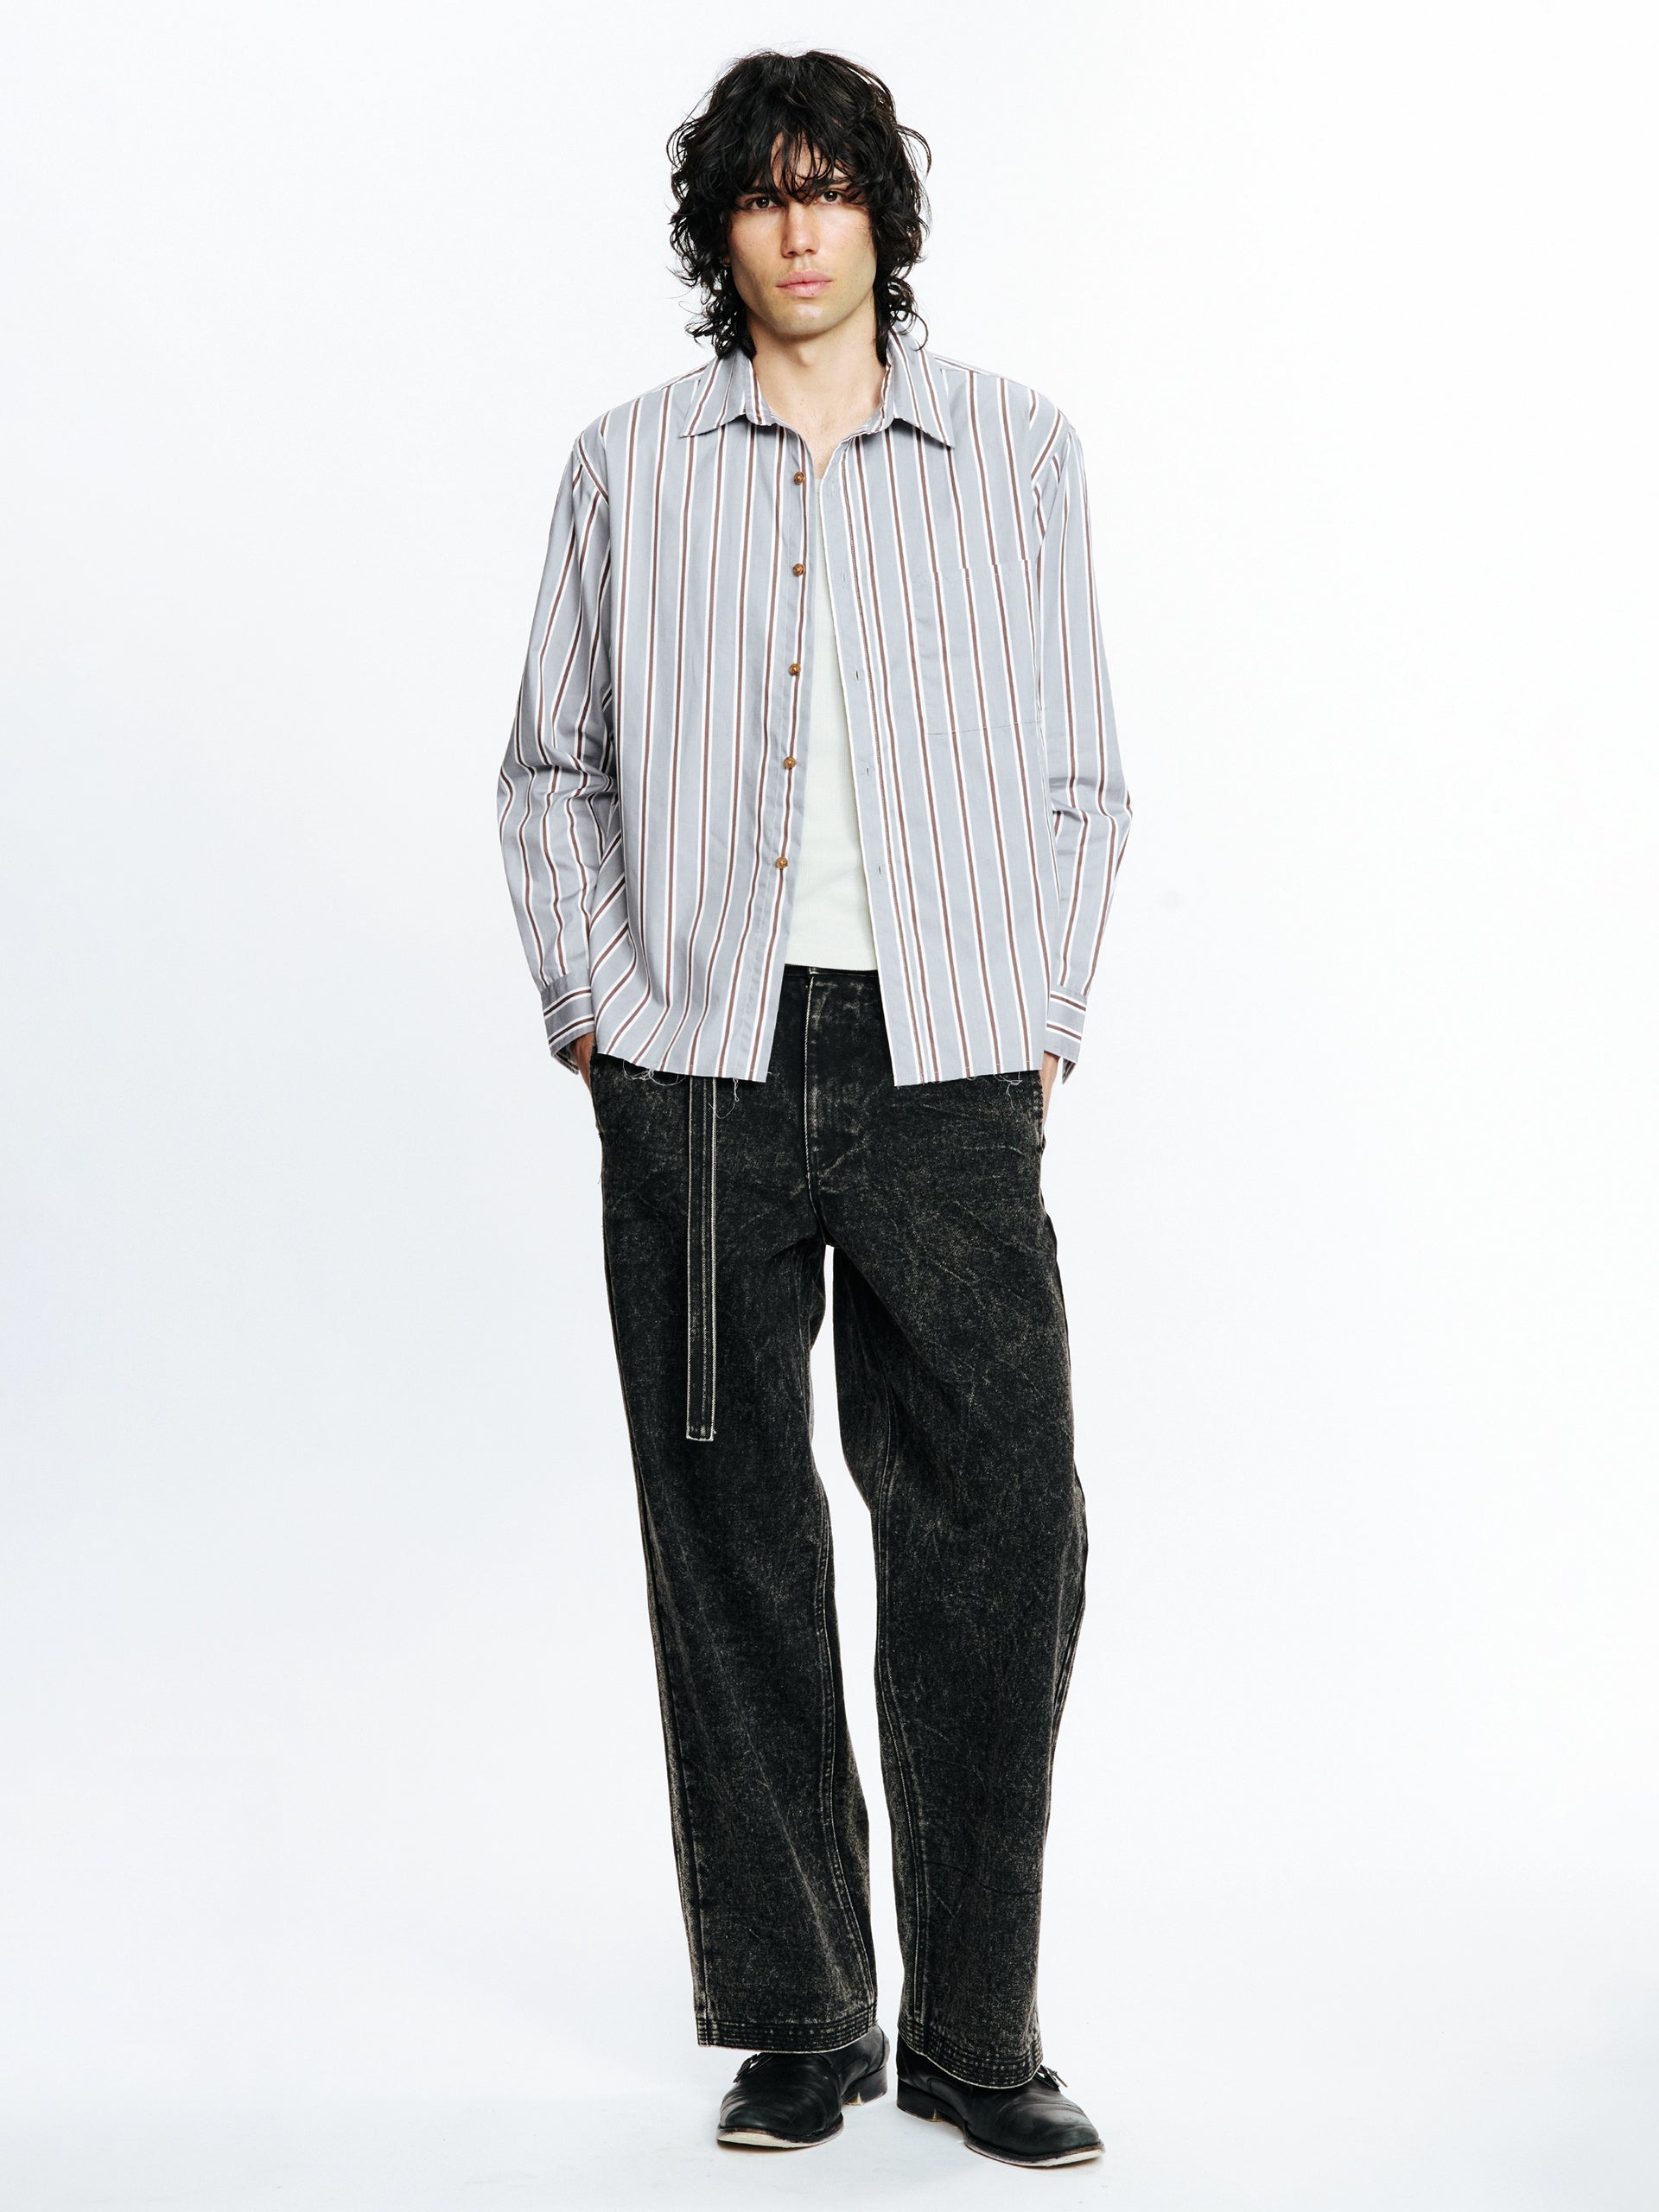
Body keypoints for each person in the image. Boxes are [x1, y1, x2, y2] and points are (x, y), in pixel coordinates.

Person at [497, 48, 1132, 2171]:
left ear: (881, 216)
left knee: (1001, 1535)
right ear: (723, 229)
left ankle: (974, 2031)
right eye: (764, 192)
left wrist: (1039, 1023)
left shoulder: (1015, 453)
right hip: (695, 1072)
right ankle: (801, 2019)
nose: (799, 224)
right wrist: (600, 1021)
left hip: (951, 1063)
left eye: (831, 186)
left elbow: (1081, 773)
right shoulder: (627, 466)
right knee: (733, 1541)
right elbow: (554, 769)